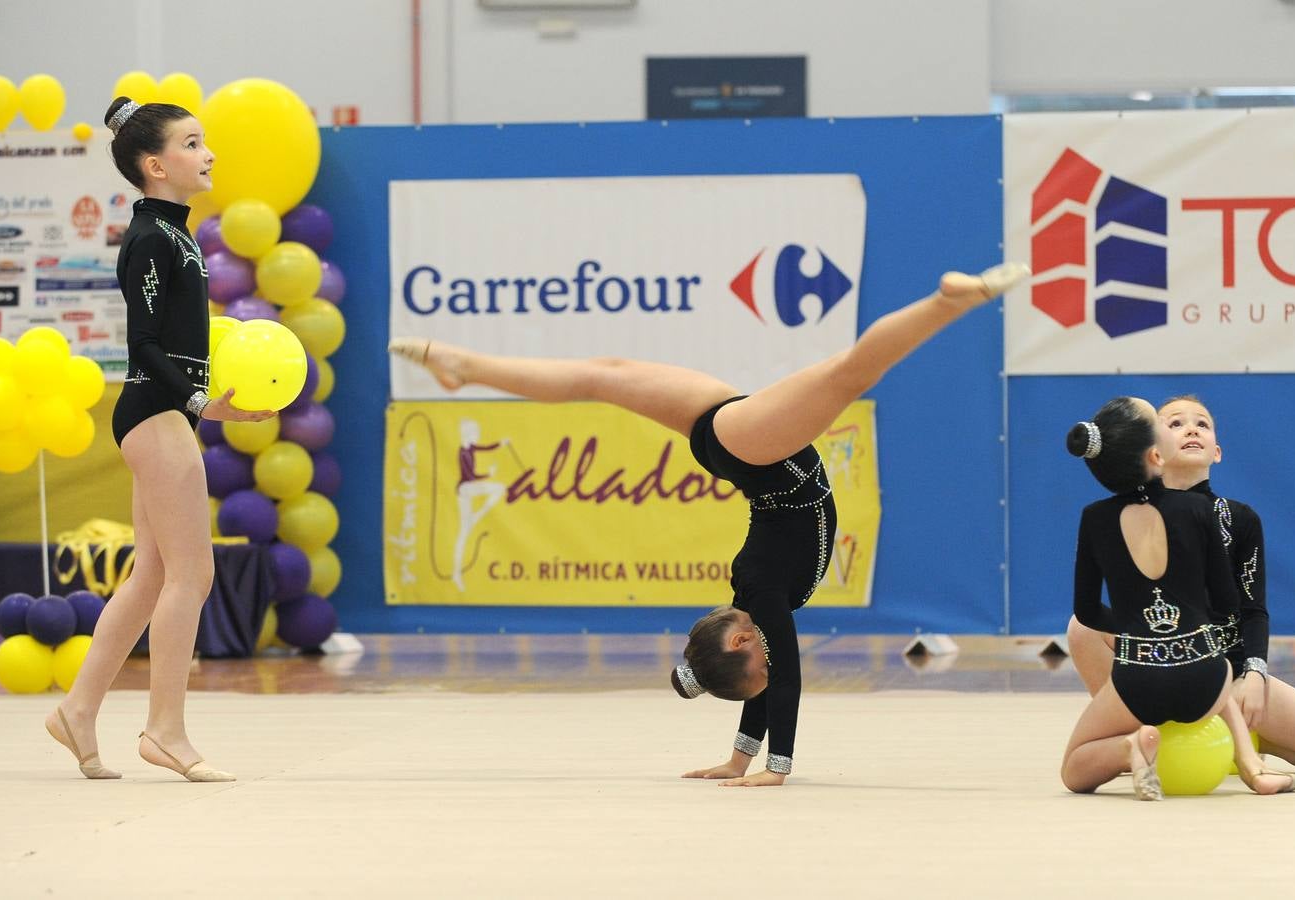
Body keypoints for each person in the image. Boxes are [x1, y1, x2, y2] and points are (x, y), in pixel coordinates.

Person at [391, 261, 1031, 787]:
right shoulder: (752, 606)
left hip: (759, 450)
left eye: (758, 668)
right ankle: (464, 367)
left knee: (850, 371)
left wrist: (775, 766)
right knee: (601, 376)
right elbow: (765, 680)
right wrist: (738, 759)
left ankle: (947, 303)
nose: (768, 674)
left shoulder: (764, 594)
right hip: (727, 433)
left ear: (738, 644)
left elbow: (786, 680)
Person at [44, 96, 273, 783]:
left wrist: (210, 407)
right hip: (153, 413)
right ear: (155, 164)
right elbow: (142, 345)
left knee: (150, 577)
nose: (208, 155)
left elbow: (180, 347)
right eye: (193, 144)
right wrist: (198, 399)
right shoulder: (149, 238)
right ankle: (165, 730)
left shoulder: (177, 235)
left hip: (170, 413)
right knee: (192, 575)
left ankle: (77, 710)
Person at [1065, 396, 1295, 775]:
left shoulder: (1239, 519)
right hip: (1157, 665)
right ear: (1152, 450)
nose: (1191, 429)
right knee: (1082, 629)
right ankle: (1138, 730)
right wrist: (1149, 637)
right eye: (1174, 423)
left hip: (1228, 671)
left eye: (1202, 424)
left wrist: (1254, 672)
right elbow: (1094, 609)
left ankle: (1245, 740)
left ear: (1217, 452)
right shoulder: (1126, 515)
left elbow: (1251, 609)